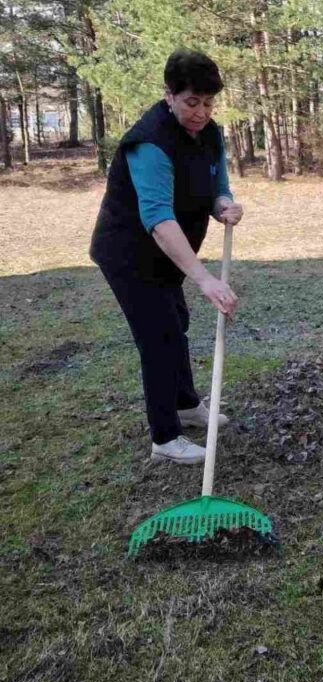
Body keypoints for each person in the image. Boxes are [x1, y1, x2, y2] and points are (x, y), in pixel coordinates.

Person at [90, 49, 242, 464]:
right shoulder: (150, 141)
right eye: (192, 102)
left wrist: (225, 204)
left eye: (208, 103)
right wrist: (204, 278)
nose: (201, 112)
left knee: (178, 323)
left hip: (169, 255)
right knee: (159, 337)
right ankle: (165, 437)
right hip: (129, 252)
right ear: (169, 95)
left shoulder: (210, 133)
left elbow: (217, 183)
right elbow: (158, 219)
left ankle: (187, 404)